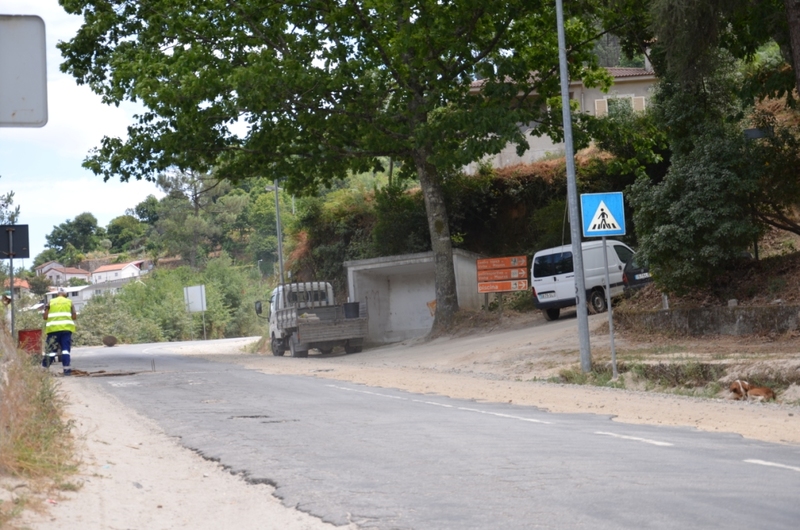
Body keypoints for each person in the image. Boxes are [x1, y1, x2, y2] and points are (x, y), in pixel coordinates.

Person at [43, 287, 77, 375]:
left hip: (53, 330)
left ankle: (43, 370)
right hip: (66, 330)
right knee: (65, 350)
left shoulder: (50, 302)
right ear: (65, 294)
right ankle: (66, 371)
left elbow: (45, 317)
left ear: (57, 294)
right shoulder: (69, 302)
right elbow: (74, 316)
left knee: (50, 351)